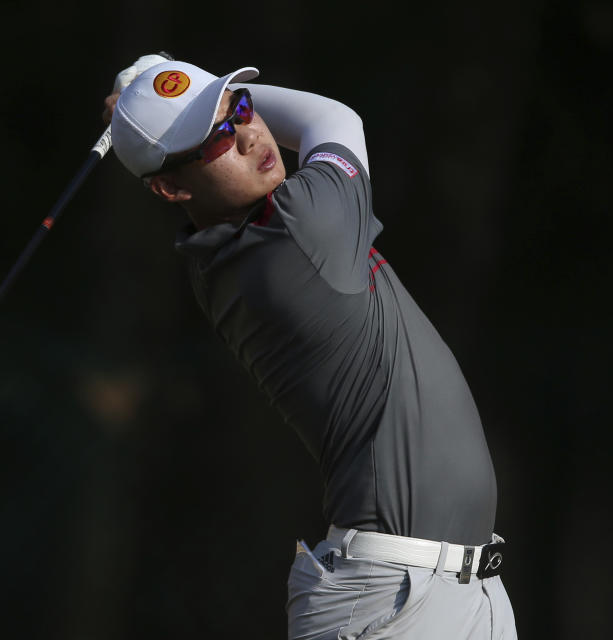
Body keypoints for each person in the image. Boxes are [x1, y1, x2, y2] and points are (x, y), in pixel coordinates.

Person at [102, 56, 518, 640]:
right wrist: (170, 82)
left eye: (240, 108)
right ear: (171, 187)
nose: (249, 134)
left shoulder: (222, 251)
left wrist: (161, 103)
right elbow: (333, 118)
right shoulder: (300, 229)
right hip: (393, 599)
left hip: (454, 592)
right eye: (217, 137)